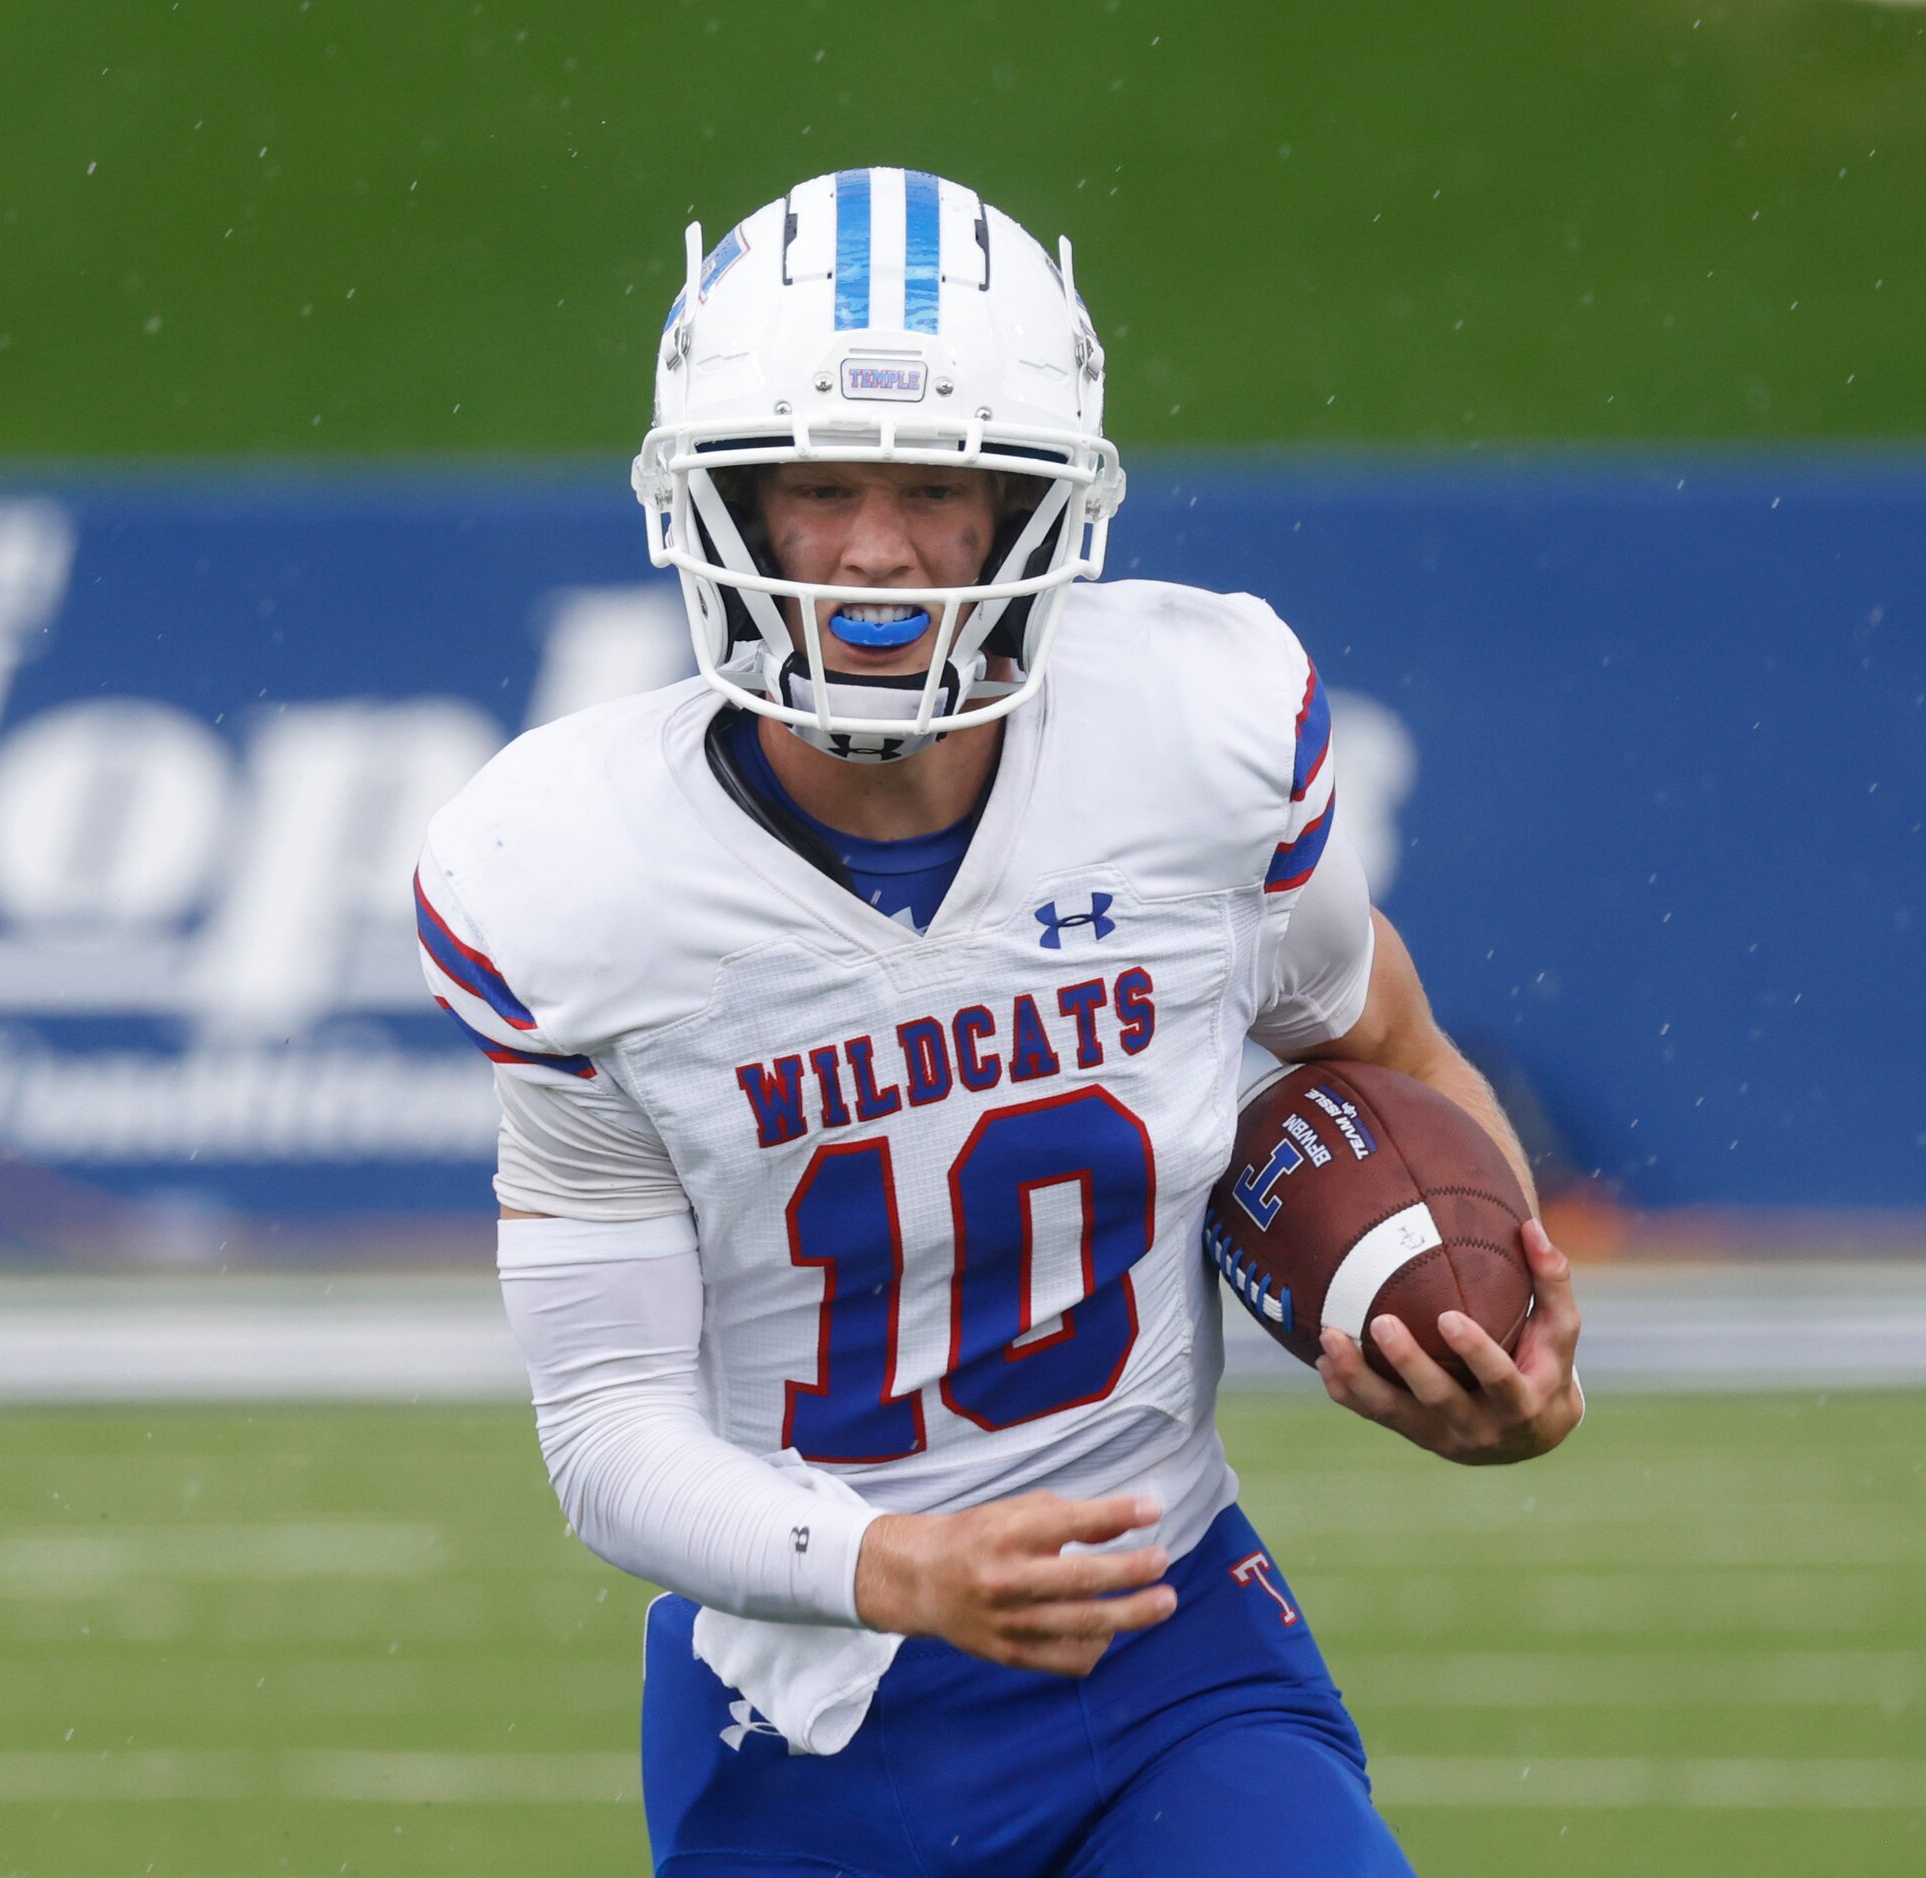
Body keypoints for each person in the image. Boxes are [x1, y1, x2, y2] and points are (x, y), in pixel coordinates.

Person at [416, 168, 1583, 1877]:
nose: (879, 550)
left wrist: (1502, 1312)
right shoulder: (579, 880)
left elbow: (1386, 1047)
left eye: (939, 485)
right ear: (723, 503)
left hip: (1168, 1636)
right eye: (819, 483)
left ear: (1033, 506)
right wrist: (895, 1565)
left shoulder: (1196, 743)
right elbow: (608, 1439)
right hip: (816, 1701)